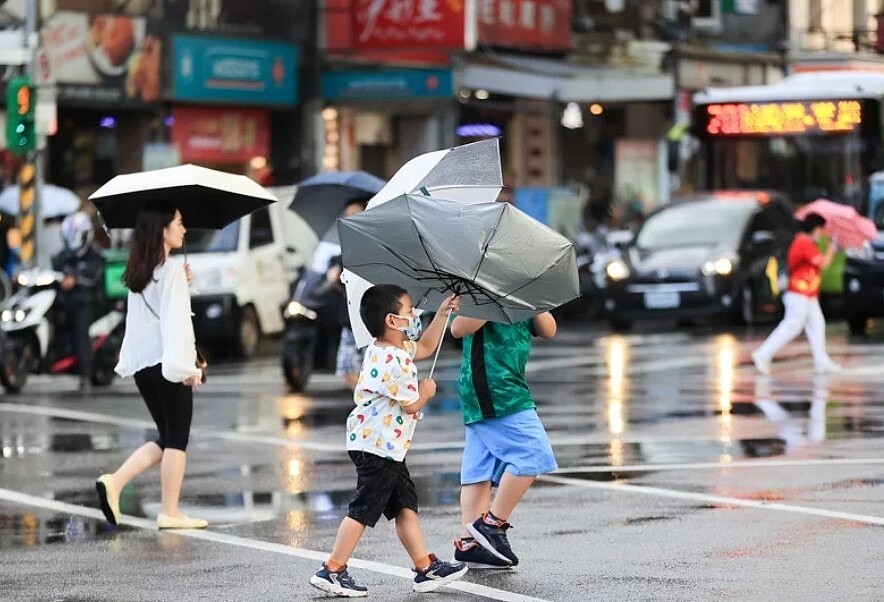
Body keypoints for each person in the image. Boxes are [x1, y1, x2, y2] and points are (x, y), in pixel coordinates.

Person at [309, 284, 467, 597]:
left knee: (404, 503)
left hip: (384, 446)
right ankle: (333, 569)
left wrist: (443, 313)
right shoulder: (396, 361)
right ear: (393, 321)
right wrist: (426, 393)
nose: (415, 318)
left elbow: (425, 347)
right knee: (364, 508)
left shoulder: (386, 349)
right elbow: (411, 404)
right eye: (410, 313)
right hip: (378, 447)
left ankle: (425, 567)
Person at [95, 202, 207, 530]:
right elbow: (176, 325)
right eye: (180, 223)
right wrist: (187, 368)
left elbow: (154, 315)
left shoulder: (139, 272)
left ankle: (114, 483)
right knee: (177, 440)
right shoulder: (169, 270)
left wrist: (183, 280)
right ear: (163, 229)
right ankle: (170, 511)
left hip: (144, 366)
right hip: (168, 363)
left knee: (166, 436)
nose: (184, 230)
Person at [449, 311, 558, 569]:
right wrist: (492, 304)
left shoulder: (523, 293)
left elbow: (549, 329)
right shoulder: (481, 291)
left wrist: (535, 303)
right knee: (533, 453)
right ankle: (491, 524)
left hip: (505, 387)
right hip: (495, 389)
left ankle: (470, 545)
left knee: (479, 467)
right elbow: (457, 328)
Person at [751, 213, 841, 375]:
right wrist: (832, 249)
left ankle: (821, 360)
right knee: (792, 326)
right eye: (821, 230)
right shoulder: (803, 242)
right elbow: (823, 264)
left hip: (808, 293)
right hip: (799, 293)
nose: (821, 234)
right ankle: (763, 354)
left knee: (817, 324)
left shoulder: (806, 242)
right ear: (815, 228)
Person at [52, 212, 105, 393]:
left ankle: (85, 374)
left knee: (80, 330)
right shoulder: (62, 256)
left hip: (87, 301)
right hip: (63, 301)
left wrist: (76, 279)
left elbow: (93, 275)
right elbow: (55, 268)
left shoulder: (95, 255)